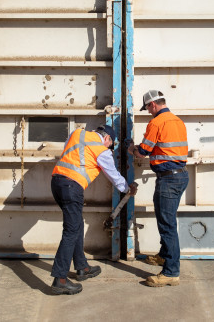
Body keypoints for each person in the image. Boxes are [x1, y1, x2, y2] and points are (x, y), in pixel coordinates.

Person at [50, 124, 137, 295]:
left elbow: (68, 151)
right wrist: (128, 189)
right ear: (107, 138)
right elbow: (113, 175)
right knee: (71, 231)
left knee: (77, 225)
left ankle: (82, 267)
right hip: (72, 186)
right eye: (110, 145)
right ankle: (59, 279)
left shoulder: (77, 133)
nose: (109, 148)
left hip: (56, 182)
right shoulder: (102, 150)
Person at [127, 90, 189, 287]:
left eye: (147, 108)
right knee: (167, 221)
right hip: (181, 176)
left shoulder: (156, 122)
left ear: (152, 104)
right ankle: (164, 255)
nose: (148, 112)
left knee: (167, 225)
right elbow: (165, 147)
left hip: (168, 179)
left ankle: (171, 272)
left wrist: (131, 148)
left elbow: (142, 152)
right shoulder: (177, 121)